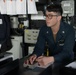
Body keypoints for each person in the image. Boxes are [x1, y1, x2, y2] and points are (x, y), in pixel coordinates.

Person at [24, 2, 75, 68]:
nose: (47, 19)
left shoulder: (69, 30)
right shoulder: (44, 29)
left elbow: (67, 52)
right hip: (51, 63)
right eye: (46, 16)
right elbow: (39, 47)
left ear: (58, 18)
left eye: (50, 16)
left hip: (67, 64)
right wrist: (35, 55)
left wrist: (51, 58)